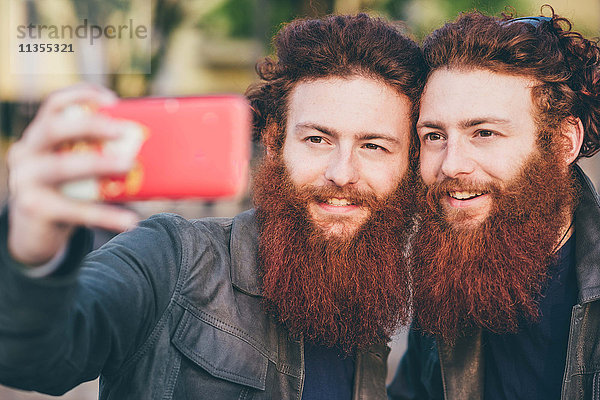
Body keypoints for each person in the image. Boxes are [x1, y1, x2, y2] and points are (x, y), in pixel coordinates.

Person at [0, 14, 426, 399]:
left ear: (408, 164)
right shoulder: (173, 258)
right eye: (317, 139)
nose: (342, 172)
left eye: (373, 146)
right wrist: (30, 254)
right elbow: (37, 357)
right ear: (275, 143)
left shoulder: (369, 300)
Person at [388, 8, 600, 400]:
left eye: (484, 132)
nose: (451, 164)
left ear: (563, 142)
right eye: (434, 135)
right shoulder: (449, 270)